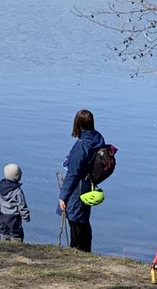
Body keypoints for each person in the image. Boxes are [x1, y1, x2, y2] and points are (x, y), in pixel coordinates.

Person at [59, 108, 105, 252]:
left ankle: (77, 250)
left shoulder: (82, 146)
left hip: (77, 187)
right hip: (88, 185)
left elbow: (73, 174)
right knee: (83, 220)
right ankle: (85, 250)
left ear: (77, 124)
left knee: (75, 219)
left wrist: (63, 196)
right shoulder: (97, 139)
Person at [0, 163, 31, 242]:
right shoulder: (17, 191)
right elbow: (21, 205)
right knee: (16, 233)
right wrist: (25, 216)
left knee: (4, 231)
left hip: (3, 215)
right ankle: (16, 245)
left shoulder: (1, 187)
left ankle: (2, 243)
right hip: (14, 217)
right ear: (17, 177)